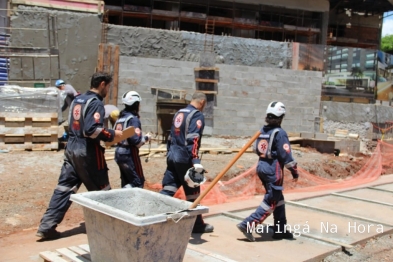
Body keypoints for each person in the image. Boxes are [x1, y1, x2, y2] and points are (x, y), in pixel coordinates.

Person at [36, 72, 122, 240]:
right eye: (108, 87)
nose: (108, 91)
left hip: (71, 148)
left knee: (64, 188)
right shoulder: (96, 103)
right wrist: (112, 134)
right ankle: (111, 229)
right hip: (88, 152)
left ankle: (46, 226)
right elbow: (92, 130)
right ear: (102, 84)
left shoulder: (78, 99)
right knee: (102, 190)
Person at [236, 101, 299, 242]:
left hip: (262, 166)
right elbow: (286, 155)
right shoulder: (280, 133)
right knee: (271, 200)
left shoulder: (263, 131)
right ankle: (248, 224)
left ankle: (280, 229)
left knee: (278, 199)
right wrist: (294, 171)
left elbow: (256, 149)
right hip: (273, 169)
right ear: (281, 116)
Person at [159, 92, 214, 234]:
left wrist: (169, 154)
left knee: (168, 189)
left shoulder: (179, 113)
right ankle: (197, 225)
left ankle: (153, 215)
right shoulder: (196, 115)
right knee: (193, 193)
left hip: (173, 156)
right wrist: (195, 161)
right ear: (202, 102)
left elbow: (170, 136)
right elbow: (193, 139)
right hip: (185, 158)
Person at [114, 91, 151, 188]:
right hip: (129, 153)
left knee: (126, 180)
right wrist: (147, 137)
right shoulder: (133, 119)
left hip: (118, 152)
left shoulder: (120, 118)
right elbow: (136, 142)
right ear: (136, 104)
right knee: (138, 182)